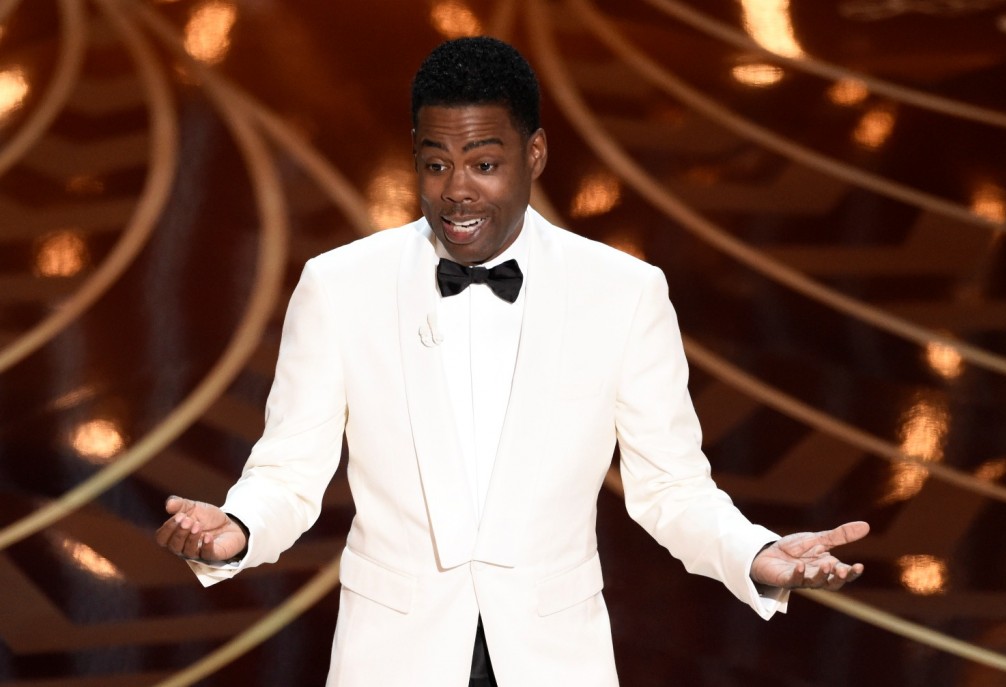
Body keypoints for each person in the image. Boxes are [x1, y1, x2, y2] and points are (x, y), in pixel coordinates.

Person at [155, 36, 868, 686]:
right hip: (392, 659)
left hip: (555, 659)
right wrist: (237, 529)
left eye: (485, 163)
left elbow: (671, 488)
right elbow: (289, 470)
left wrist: (755, 551)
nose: (457, 190)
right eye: (436, 164)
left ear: (534, 155)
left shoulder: (625, 292)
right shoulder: (340, 285)